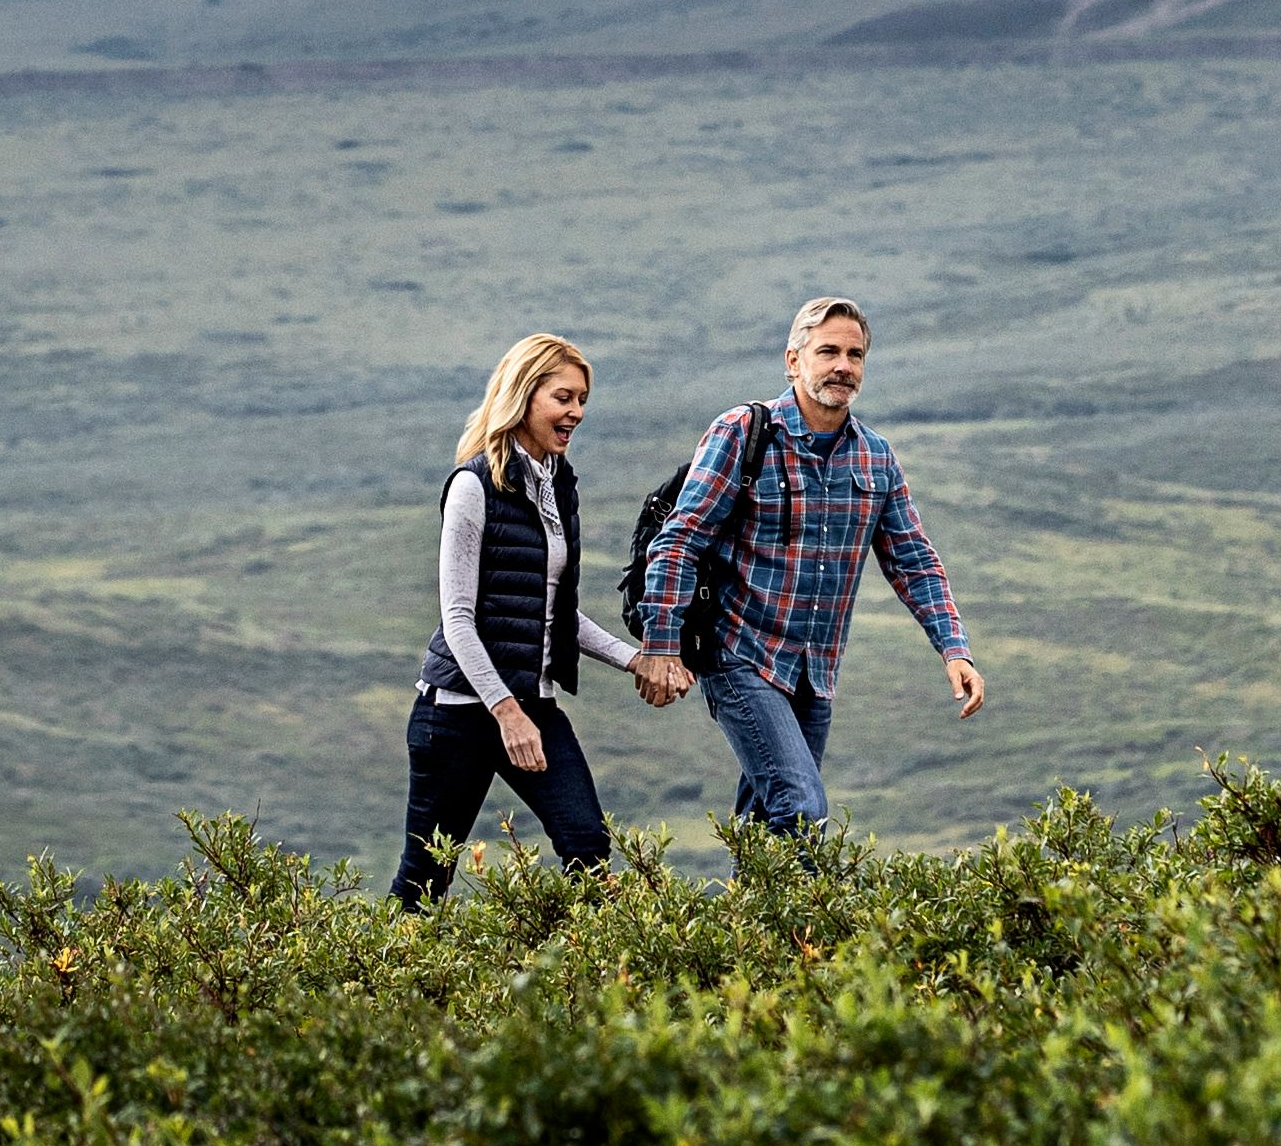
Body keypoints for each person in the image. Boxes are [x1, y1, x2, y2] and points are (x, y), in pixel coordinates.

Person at [629, 295, 979, 832]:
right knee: (800, 807)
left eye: (855, 355)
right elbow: (681, 539)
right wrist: (660, 644)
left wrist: (954, 648)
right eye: (828, 352)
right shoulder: (744, 434)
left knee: (766, 823)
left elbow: (914, 560)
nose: (843, 366)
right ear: (794, 360)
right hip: (741, 654)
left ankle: (751, 918)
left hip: (816, 672)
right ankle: (809, 918)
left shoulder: (875, 457)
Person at [396, 333, 667, 905]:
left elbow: (558, 611)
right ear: (524, 397)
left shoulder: (558, 484)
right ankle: (372, 990)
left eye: (582, 400)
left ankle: (590, 983)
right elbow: (458, 622)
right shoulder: (473, 486)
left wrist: (634, 658)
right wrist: (507, 713)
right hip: (459, 716)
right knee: (425, 881)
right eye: (563, 398)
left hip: (532, 705)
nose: (576, 413)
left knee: (588, 846)